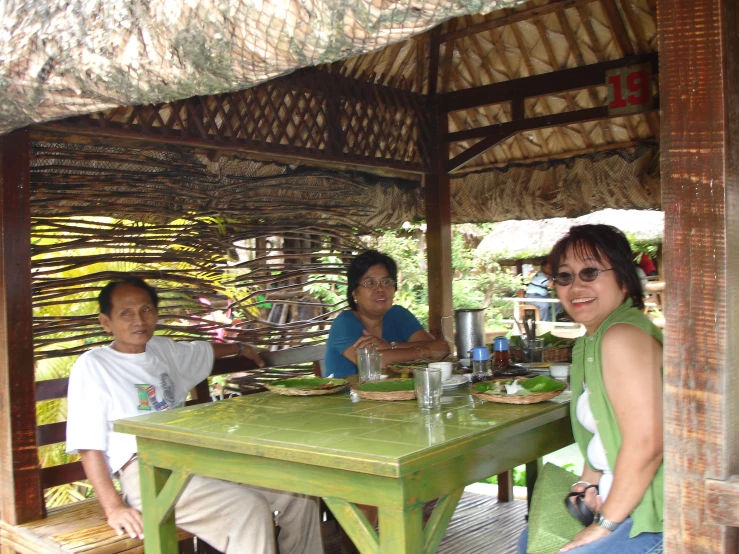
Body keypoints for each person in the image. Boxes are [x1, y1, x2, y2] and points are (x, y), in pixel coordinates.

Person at [66, 276, 323, 554]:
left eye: (146, 310)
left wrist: (239, 348)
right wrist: (114, 507)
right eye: (125, 313)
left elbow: (205, 350)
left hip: (194, 460)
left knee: (298, 493)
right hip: (146, 472)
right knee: (247, 510)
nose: (138, 320)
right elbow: (89, 445)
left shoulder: (163, 350)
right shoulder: (94, 366)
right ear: (106, 322)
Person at [518, 224, 663, 553]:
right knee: (531, 538)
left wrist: (605, 524)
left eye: (590, 272)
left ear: (624, 279)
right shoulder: (592, 341)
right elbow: (603, 428)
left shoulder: (621, 337)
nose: (575, 285)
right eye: (564, 276)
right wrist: (587, 483)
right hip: (617, 499)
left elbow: (648, 444)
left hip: (655, 514)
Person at [324, 250, 449, 379]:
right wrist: (425, 351)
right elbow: (377, 362)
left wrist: (391, 346)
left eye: (387, 282)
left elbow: (441, 348)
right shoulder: (344, 323)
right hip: (345, 397)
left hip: (394, 394)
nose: (380, 289)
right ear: (354, 292)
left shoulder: (399, 315)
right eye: (370, 283)